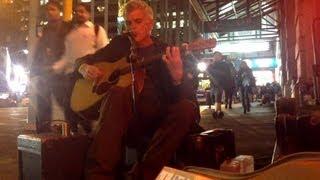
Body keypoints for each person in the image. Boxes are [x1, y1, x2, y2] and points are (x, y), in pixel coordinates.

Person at [75, 1, 199, 179]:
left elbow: (186, 97)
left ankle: (141, 176)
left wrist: (177, 76)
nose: (132, 27)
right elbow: (82, 61)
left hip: (156, 116)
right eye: (128, 22)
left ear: (150, 23)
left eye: (138, 21)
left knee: (186, 109)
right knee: (117, 93)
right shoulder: (120, 44)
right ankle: (98, 175)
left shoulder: (165, 51)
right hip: (125, 116)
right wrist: (84, 68)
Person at [52, 3, 109, 132]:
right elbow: (67, 57)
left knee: (83, 105)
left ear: (88, 14)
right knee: (68, 104)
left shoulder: (96, 30)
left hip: (87, 74)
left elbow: (104, 52)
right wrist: (54, 68)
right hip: (71, 73)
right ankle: (73, 132)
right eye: (77, 12)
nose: (79, 14)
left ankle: (86, 129)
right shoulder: (70, 33)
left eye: (82, 11)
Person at [31, 0, 72, 133]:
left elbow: (71, 50)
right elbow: (39, 51)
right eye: (48, 9)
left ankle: (74, 131)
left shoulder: (68, 28)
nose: (50, 12)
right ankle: (43, 134)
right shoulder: (46, 29)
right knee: (43, 105)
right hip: (45, 73)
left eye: (53, 9)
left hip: (62, 73)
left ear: (59, 11)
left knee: (66, 104)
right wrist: (34, 71)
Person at [206, 51, 235, 118]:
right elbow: (207, 72)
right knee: (213, 97)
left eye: (218, 56)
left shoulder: (224, 64)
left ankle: (217, 112)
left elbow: (226, 74)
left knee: (218, 97)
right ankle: (219, 111)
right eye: (215, 56)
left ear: (221, 57)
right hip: (213, 84)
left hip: (221, 84)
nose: (216, 57)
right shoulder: (211, 65)